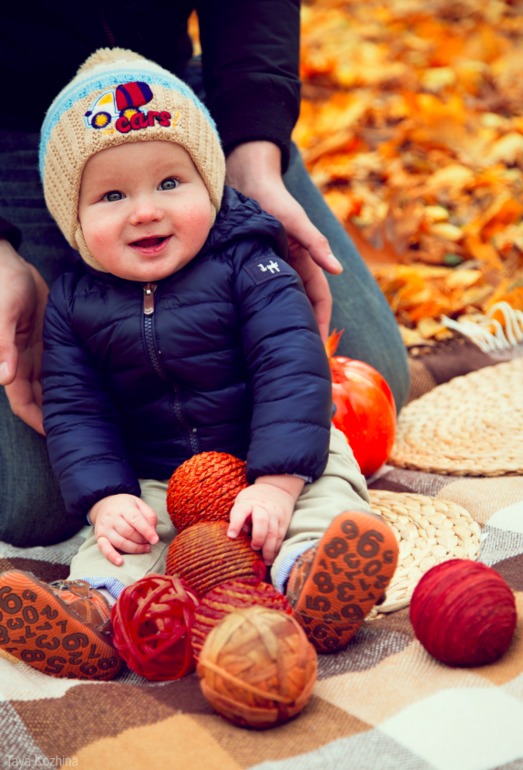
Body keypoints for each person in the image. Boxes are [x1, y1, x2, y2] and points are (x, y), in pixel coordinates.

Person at [0, 49, 399, 681]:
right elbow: (77, 412)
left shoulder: (250, 262)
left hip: (275, 451)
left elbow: (291, 369)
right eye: (110, 194)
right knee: (121, 543)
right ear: (70, 221)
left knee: (326, 496)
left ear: (210, 184)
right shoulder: (73, 301)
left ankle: (312, 577)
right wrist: (107, 499)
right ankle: (97, 610)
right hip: (161, 473)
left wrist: (277, 481)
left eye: (169, 183)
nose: (145, 210)